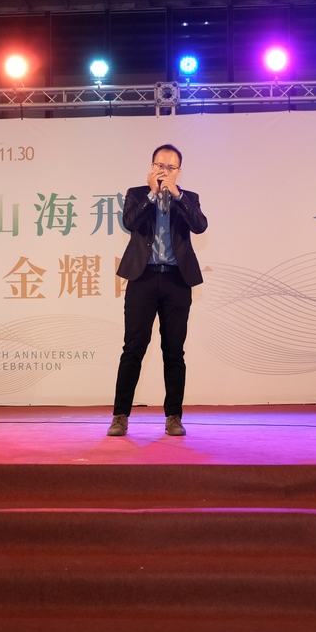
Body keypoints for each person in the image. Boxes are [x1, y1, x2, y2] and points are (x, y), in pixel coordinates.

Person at [107, 144, 209, 437]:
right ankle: (120, 415)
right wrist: (153, 194)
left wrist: (175, 194)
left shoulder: (188, 198)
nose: (164, 171)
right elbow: (129, 222)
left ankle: (174, 416)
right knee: (133, 348)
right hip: (143, 278)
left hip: (177, 281)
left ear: (179, 171)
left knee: (174, 351)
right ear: (151, 167)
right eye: (159, 165)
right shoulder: (137, 194)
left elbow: (200, 226)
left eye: (170, 167)